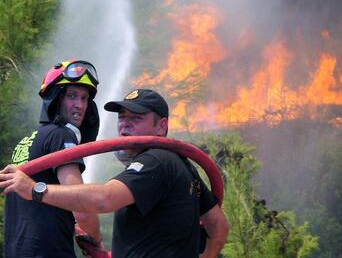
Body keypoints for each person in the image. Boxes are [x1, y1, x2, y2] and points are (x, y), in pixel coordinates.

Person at [0, 89, 229, 258]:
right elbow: (219, 226)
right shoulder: (182, 164)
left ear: (161, 126)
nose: (124, 126)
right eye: (122, 118)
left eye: (136, 118)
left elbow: (103, 200)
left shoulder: (155, 160)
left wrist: (35, 189)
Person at [3, 59, 105, 257]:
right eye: (72, 96)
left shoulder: (28, 141)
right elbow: (81, 205)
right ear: (56, 99)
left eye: (84, 98)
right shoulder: (61, 136)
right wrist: (97, 243)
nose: (80, 105)